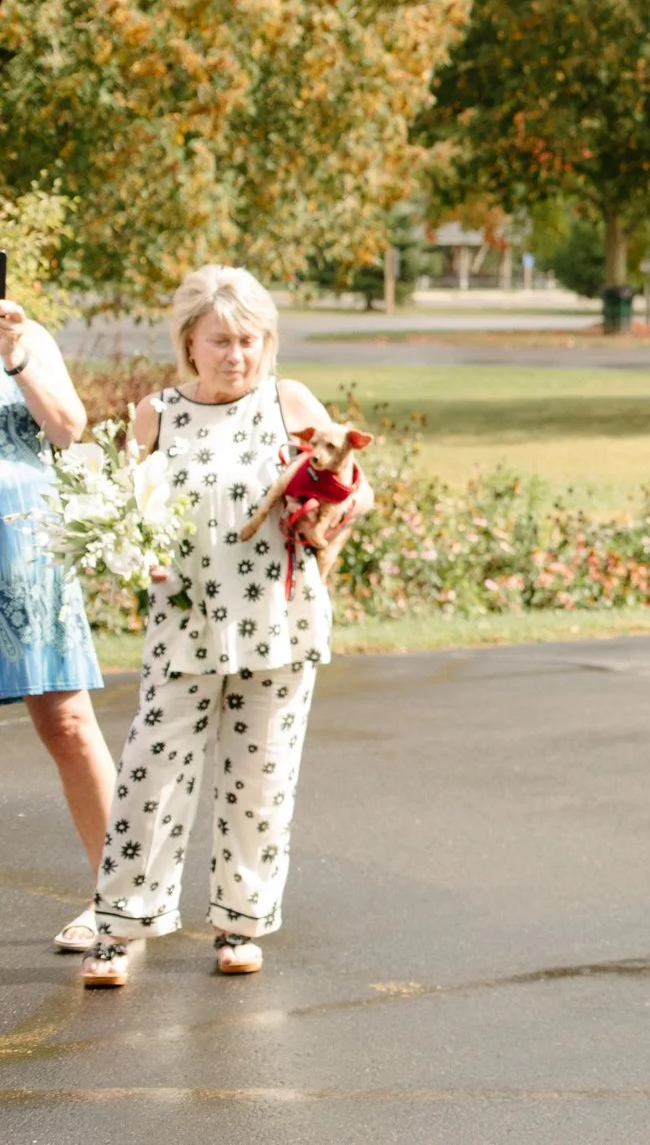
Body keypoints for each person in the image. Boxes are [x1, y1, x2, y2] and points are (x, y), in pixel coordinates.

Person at [79, 265, 374, 988]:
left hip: (278, 623)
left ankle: (241, 923)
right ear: (189, 341)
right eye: (220, 340)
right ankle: (120, 926)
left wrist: (332, 509)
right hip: (183, 627)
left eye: (249, 339)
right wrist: (132, 556)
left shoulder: (290, 401)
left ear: (267, 341)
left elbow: (352, 483)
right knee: (149, 776)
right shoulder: (156, 414)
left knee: (260, 779)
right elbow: (119, 510)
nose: (236, 354)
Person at [0, 290, 114, 955]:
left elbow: (69, 428)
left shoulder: (25, 337)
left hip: (25, 547)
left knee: (67, 722)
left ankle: (117, 898)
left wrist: (15, 357)